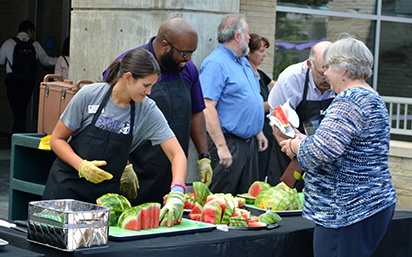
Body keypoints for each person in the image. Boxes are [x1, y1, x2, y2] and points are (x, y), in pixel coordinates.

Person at [276, 35, 397, 257]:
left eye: (328, 67)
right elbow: (336, 145)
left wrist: (295, 146)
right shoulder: (369, 95)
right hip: (366, 204)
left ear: (343, 69)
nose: (325, 73)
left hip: (346, 211)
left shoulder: (349, 100)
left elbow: (321, 152)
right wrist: (306, 141)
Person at [42, 49, 187, 219]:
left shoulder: (147, 110)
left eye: (152, 86)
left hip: (105, 198)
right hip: (66, 188)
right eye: (146, 85)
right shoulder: (89, 95)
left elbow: (177, 154)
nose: (149, 92)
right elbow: (57, 139)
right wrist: (82, 166)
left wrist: (177, 191)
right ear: (128, 78)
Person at [102, 16, 212, 205]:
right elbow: (109, 120)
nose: (189, 59)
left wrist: (204, 156)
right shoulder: (128, 66)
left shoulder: (188, 69)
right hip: (135, 173)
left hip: (172, 172)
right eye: (185, 53)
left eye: (192, 53)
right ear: (164, 45)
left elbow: (196, 112)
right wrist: (124, 166)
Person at [199, 14, 268, 195]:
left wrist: (258, 132)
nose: (249, 38)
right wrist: (222, 147)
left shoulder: (243, 61)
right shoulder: (215, 63)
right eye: (247, 34)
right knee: (221, 201)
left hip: (249, 144)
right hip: (228, 143)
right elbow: (207, 107)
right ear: (237, 36)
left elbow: (247, 100)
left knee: (246, 201)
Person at [267, 40, 335, 190]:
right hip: (289, 153)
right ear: (309, 64)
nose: (326, 80)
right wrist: (294, 151)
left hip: (326, 156)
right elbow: (277, 120)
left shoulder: (340, 79)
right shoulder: (290, 79)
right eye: (322, 74)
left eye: (330, 74)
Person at [0, 20, 57, 135]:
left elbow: (1, 60)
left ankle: (17, 137)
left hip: (13, 81)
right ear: (30, 30)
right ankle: (18, 136)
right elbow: (45, 60)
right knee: (22, 110)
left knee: (18, 111)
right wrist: (59, 60)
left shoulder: (8, 43)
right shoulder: (34, 44)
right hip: (28, 82)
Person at [246, 33, 276, 181]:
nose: (265, 55)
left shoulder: (261, 74)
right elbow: (253, 107)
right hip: (255, 132)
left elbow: (277, 87)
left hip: (267, 129)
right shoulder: (246, 75)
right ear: (249, 53)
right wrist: (275, 103)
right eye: (261, 51)